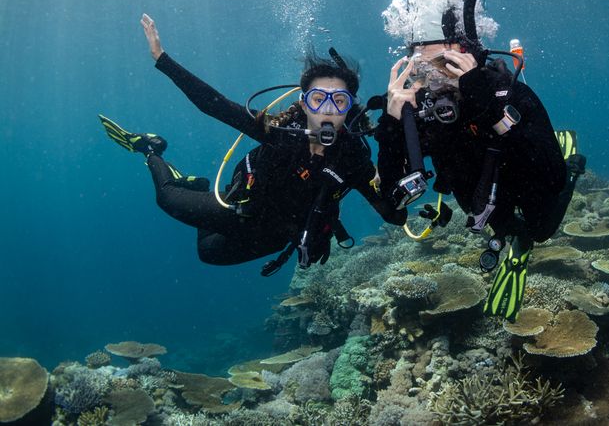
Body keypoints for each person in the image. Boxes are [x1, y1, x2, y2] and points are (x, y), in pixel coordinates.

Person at [100, 14, 405, 274]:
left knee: (209, 254)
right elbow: (215, 104)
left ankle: (199, 184)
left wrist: (399, 175)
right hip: (240, 209)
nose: (327, 109)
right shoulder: (282, 131)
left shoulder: (352, 156)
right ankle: (151, 149)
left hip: (278, 232)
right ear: (304, 103)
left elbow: (393, 215)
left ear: (349, 107)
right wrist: (161, 59)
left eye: (339, 101)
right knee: (166, 198)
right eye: (317, 99)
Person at [376, 0, 585, 321]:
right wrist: (392, 128)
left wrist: (484, 104)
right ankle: (510, 236)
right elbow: (390, 199)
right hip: (479, 197)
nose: (433, 79)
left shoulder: (506, 92)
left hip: (530, 174)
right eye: (421, 68)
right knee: (503, 228)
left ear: (466, 54)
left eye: (442, 64)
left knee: (541, 230)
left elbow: (551, 177)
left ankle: (571, 155)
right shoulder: (418, 108)